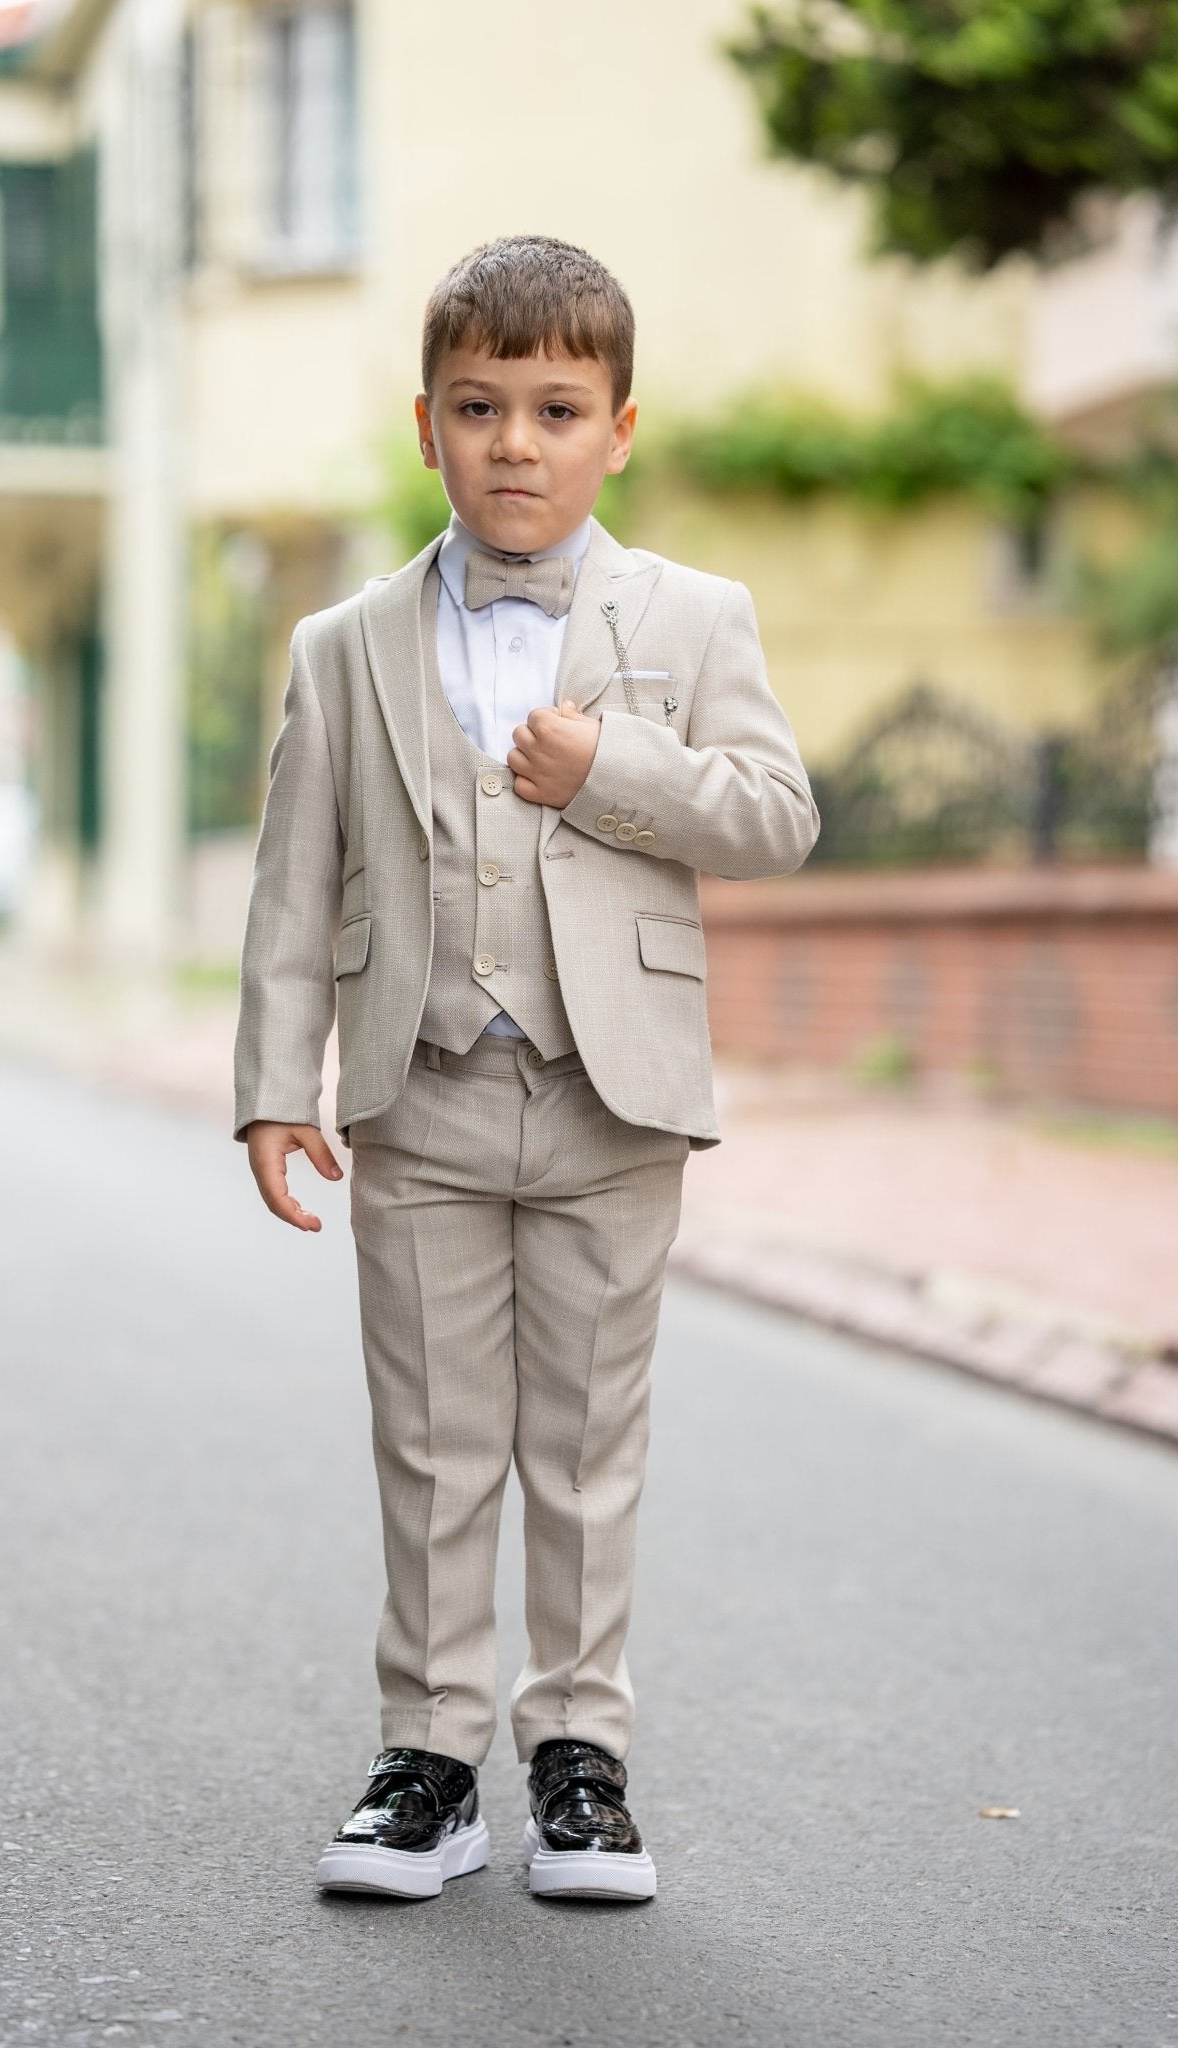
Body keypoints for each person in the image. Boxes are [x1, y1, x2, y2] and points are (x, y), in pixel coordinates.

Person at [233, 234, 818, 1903]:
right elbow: (296, 878)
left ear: (618, 429)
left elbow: (777, 817)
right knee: (431, 1436)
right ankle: (430, 1756)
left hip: (610, 1101)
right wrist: (280, 1083)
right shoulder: (344, 643)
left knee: (580, 1442)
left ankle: (581, 1759)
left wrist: (613, 767)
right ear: (425, 425)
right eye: (479, 406)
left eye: (556, 409)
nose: (515, 442)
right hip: (415, 1094)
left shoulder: (696, 617)